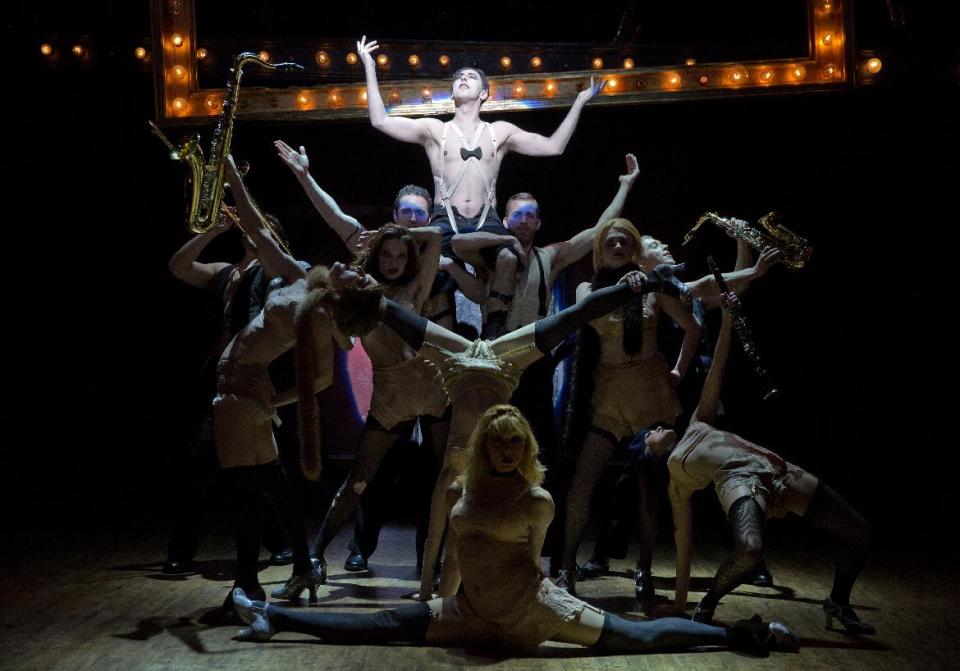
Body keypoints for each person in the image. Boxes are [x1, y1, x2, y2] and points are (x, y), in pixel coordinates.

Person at [231, 405, 797, 655]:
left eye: (516, 443)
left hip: (533, 610)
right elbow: (457, 550)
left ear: (525, 449)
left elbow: (531, 562)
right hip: (470, 613)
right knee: (380, 623)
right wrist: (437, 596)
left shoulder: (539, 499)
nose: (507, 450)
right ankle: (271, 617)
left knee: (640, 637)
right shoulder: (460, 491)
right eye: (498, 442)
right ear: (484, 446)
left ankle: (748, 636)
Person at [644, 292, 874, 634]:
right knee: (750, 550)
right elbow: (684, 541)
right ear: (651, 453)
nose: (658, 428)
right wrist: (680, 602)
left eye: (658, 425)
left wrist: (726, 318)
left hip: (780, 470)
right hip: (739, 481)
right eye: (650, 434)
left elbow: (717, 369)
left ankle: (838, 602)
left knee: (860, 532)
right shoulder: (677, 478)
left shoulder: (697, 423)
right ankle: (707, 603)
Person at [213, 156, 385, 607]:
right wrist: (231, 176)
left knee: (243, 490)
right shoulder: (303, 279)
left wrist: (274, 403)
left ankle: (246, 584)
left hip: (241, 388)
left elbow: (324, 378)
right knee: (271, 482)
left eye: (360, 274)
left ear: (347, 293)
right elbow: (262, 234)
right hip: (246, 387)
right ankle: (304, 567)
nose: (355, 265)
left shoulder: (323, 313)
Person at [356, 35, 605, 267]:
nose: (463, 79)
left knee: (508, 262)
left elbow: (554, 147)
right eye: (459, 77)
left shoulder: (500, 131)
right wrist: (369, 66)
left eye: (471, 77)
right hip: (446, 219)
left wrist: (580, 102)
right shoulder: (435, 130)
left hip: (486, 219)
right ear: (452, 92)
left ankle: (496, 314)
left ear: (484, 93)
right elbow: (381, 121)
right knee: (425, 270)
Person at [557, 219, 701, 596]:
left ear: (635, 249)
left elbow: (693, 328)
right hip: (607, 396)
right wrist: (621, 291)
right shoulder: (588, 288)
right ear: (599, 251)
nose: (618, 248)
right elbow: (585, 312)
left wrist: (678, 371)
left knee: (646, 489)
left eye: (624, 243)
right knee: (581, 483)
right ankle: (567, 566)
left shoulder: (655, 287)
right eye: (611, 243)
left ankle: (645, 569)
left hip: (650, 396)